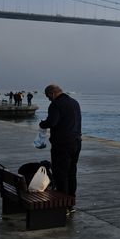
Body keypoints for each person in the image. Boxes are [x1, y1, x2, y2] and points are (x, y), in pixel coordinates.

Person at [38, 84, 81, 215]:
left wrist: (42, 123)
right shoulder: (74, 102)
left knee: (60, 173)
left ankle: (63, 205)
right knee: (71, 172)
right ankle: (71, 203)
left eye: (48, 97)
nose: (48, 100)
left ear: (52, 94)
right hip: (76, 142)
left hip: (61, 144)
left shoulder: (56, 104)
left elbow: (52, 122)